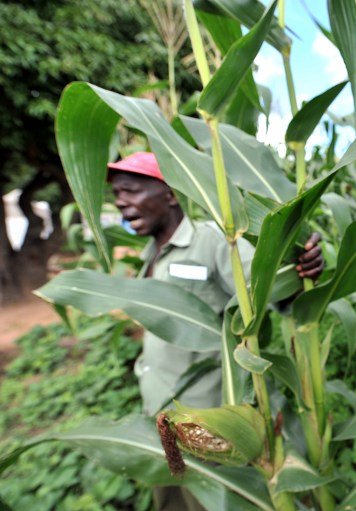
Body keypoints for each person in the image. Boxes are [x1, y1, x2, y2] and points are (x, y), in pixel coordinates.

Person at [108, 152, 323, 510]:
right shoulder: (150, 253)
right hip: (160, 419)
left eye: (130, 190)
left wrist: (304, 273)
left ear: (171, 194)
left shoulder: (214, 241)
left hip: (208, 428)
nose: (120, 201)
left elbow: (273, 292)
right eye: (117, 194)